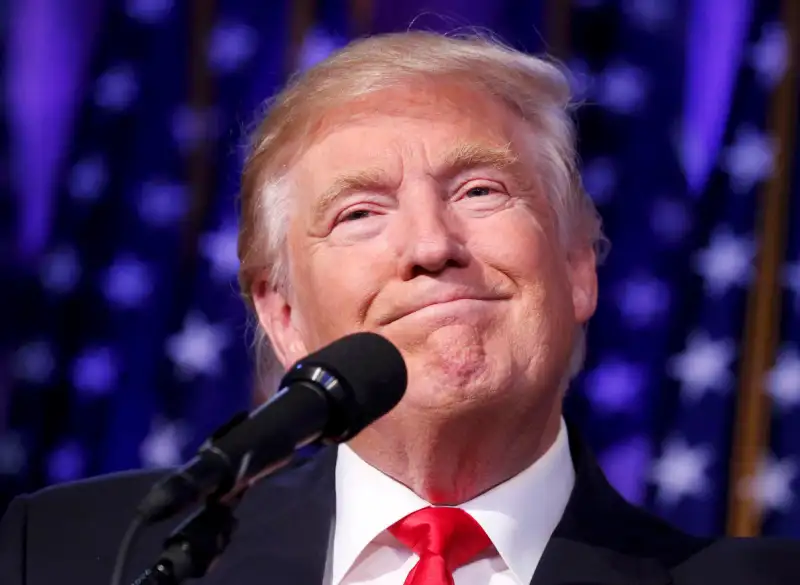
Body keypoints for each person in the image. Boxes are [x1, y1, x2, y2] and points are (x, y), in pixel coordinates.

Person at [1, 31, 798, 585]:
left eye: (480, 191)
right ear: (282, 316)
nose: (430, 245)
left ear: (577, 266)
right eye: (359, 213)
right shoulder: (77, 551)